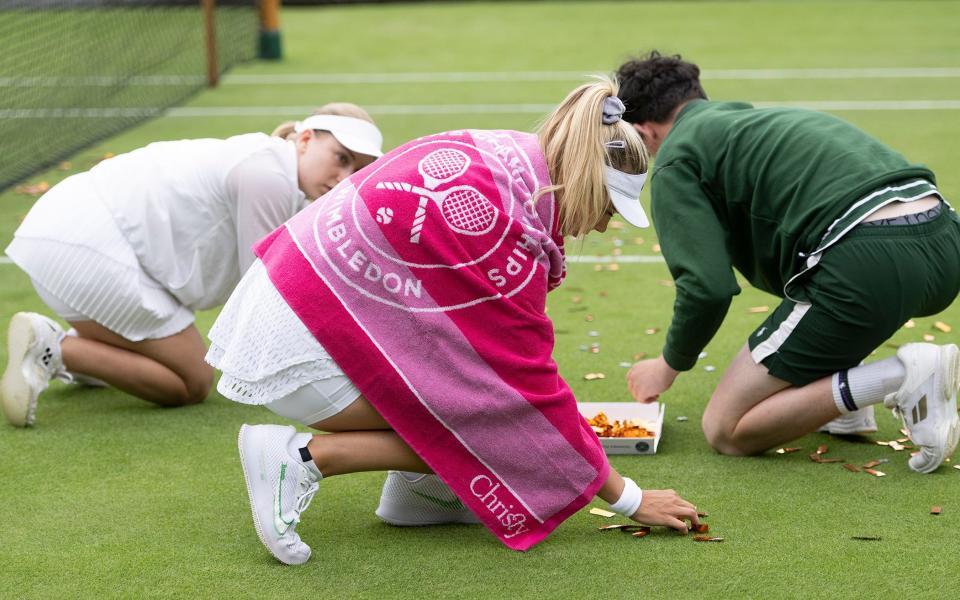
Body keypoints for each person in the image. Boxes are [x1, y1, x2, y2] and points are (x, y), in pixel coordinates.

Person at [207, 77, 700, 565]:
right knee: (500, 422)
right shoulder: (511, 226)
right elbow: (522, 391)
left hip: (282, 303)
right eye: (609, 207)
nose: (600, 224)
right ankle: (303, 458)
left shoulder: (506, 158)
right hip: (299, 347)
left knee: (467, 383)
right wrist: (629, 497)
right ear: (590, 181)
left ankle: (424, 495)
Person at [616, 51, 960, 472]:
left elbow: (707, 287)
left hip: (868, 260)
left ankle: (901, 375)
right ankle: (844, 405)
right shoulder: (758, 122)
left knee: (726, 429)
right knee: (818, 278)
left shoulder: (676, 155)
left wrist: (668, 365)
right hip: (944, 240)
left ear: (642, 131)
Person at [1, 104, 384, 427]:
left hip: (67, 239)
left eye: (357, 170)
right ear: (305, 141)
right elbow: (265, 290)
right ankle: (57, 348)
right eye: (342, 158)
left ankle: (93, 357)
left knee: (179, 358)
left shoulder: (279, 174)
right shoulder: (268, 175)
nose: (344, 178)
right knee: (191, 383)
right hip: (85, 248)